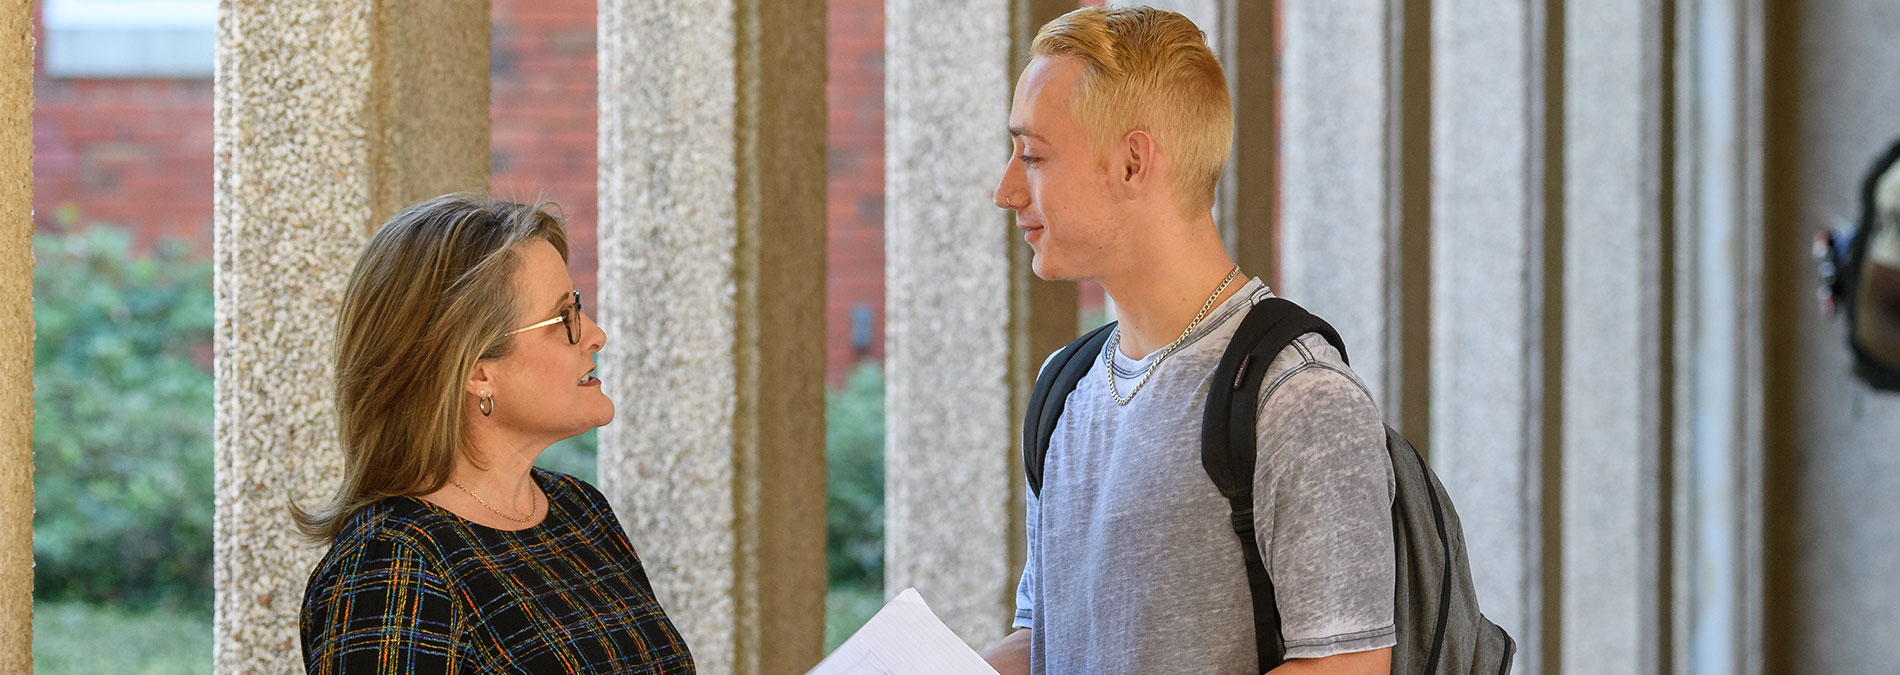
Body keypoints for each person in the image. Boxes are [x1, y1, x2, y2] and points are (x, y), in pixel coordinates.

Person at [981, 7, 1395, 674]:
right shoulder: (1065, 389)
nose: (1004, 190)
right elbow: (1051, 640)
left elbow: (1346, 667)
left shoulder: (1300, 399)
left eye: (1032, 155)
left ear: (1131, 162)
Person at [296, 195, 694, 673]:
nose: (594, 334)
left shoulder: (580, 511)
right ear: (476, 372)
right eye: (563, 319)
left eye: (579, 307)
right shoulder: (391, 568)